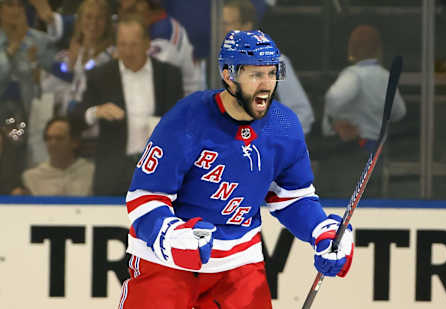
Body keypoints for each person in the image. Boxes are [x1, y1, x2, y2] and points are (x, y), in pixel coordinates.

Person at [117, 30, 354, 308]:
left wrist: (321, 230)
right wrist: (171, 235)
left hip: (238, 266)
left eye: (271, 73)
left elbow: (292, 198)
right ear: (229, 76)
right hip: (167, 263)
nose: (267, 84)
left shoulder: (284, 125)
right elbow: (144, 198)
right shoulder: (188, 118)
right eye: (255, 75)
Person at [71, 14, 183, 196]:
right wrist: (96, 111)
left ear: (147, 44)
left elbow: (182, 120)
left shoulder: (169, 75)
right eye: (122, 45)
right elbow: (76, 117)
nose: (128, 52)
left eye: (133, 45)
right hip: (113, 171)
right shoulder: (101, 76)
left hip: (158, 169)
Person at [319, 25, 406, 197]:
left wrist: (334, 122)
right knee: (371, 200)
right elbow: (399, 111)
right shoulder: (386, 76)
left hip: (354, 151)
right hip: (377, 151)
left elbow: (333, 97)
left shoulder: (354, 75)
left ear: (352, 49)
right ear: (378, 49)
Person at [222, 0, 314, 135]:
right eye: (219, 23)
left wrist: (272, 141)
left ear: (246, 27)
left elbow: (303, 114)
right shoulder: (212, 65)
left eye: (226, 24)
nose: (220, 29)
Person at [19, 116, 94, 196]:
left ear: (75, 142)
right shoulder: (31, 178)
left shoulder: (91, 173)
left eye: (59, 138)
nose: (52, 144)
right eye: (49, 138)